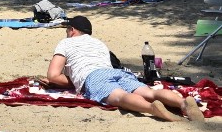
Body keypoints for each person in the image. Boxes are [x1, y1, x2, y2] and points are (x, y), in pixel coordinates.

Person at [39, 16, 204, 123]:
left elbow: (53, 75)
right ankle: (183, 103)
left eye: (67, 30)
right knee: (149, 92)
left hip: (94, 77)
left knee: (121, 97)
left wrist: (72, 81)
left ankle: (152, 109)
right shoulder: (99, 43)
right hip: (116, 72)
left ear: (72, 30)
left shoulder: (66, 43)